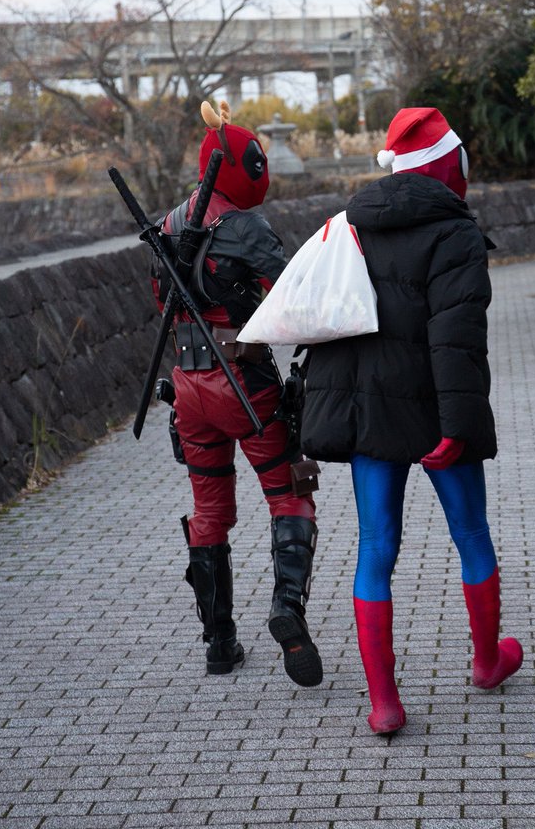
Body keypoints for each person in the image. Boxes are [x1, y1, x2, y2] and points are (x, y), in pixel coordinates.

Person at [300, 106, 522, 734]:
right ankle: (487, 663)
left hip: (367, 414)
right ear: (450, 166)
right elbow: (456, 341)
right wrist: (458, 427)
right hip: (435, 412)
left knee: (376, 548)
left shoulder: (348, 224)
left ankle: (384, 704)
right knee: (471, 533)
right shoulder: (455, 234)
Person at [151, 99, 322, 686]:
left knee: (209, 511)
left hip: (187, 386)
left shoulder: (167, 225)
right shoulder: (247, 228)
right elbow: (291, 297)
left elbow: (161, 302)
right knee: (289, 490)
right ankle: (287, 607)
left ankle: (219, 643)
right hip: (244, 384)